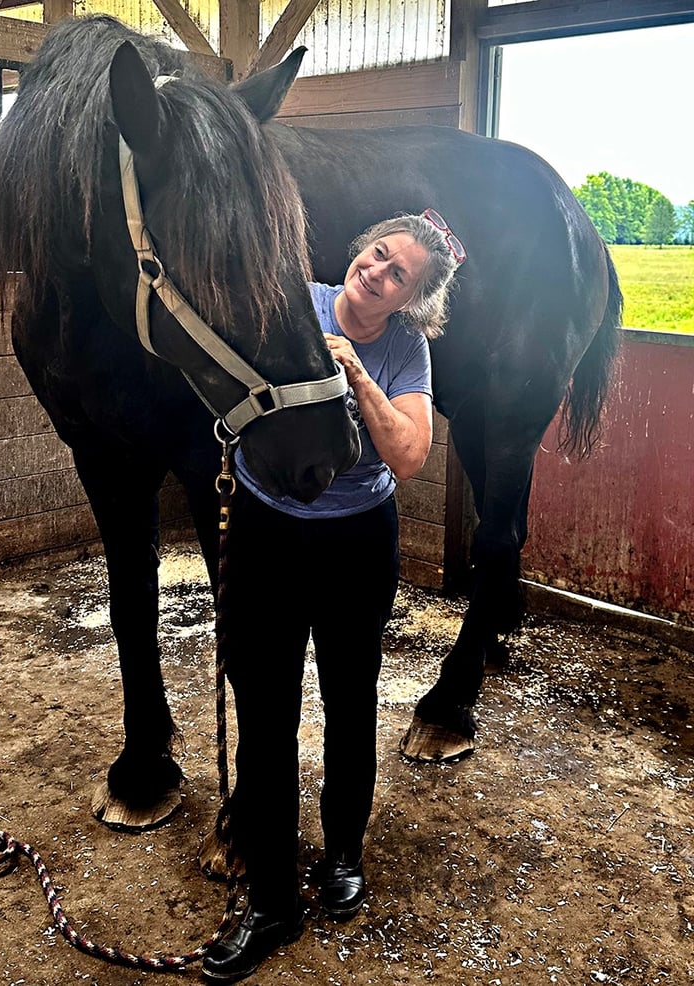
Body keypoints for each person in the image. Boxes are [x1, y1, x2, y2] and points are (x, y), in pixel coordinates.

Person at [201, 210, 465, 984]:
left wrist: (354, 372)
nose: (377, 274)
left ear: (412, 300)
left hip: (356, 539)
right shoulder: (291, 301)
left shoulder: (405, 349)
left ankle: (343, 852)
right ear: (361, 249)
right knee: (266, 709)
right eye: (378, 255)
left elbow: (409, 455)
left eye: (398, 275)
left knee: (350, 700)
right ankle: (272, 898)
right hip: (267, 529)